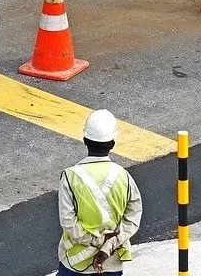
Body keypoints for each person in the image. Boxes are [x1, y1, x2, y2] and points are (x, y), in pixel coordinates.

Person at [57, 109, 142, 276]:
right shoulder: (123, 176)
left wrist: (96, 241)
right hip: (110, 262)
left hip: (75, 262)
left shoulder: (70, 176)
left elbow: (68, 222)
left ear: (85, 140)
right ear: (112, 144)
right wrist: (107, 246)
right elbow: (133, 217)